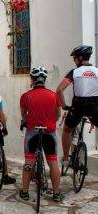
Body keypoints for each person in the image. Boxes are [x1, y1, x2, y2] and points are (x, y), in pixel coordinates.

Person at [19, 66, 64, 202]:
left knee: (28, 162)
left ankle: (25, 192)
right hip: (49, 132)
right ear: (44, 80)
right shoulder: (54, 95)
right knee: (53, 162)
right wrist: (50, 121)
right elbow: (58, 115)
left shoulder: (25, 96)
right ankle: (56, 194)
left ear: (32, 80)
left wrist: (27, 122)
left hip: (33, 132)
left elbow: (24, 115)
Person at [56, 45, 98, 169]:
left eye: (74, 58)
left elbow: (59, 90)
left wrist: (64, 105)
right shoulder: (97, 70)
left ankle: (65, 159)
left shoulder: (74, 72)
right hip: (94, 108)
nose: (74, 61)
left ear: (80, 58)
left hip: (78, 108)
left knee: (67, 130)